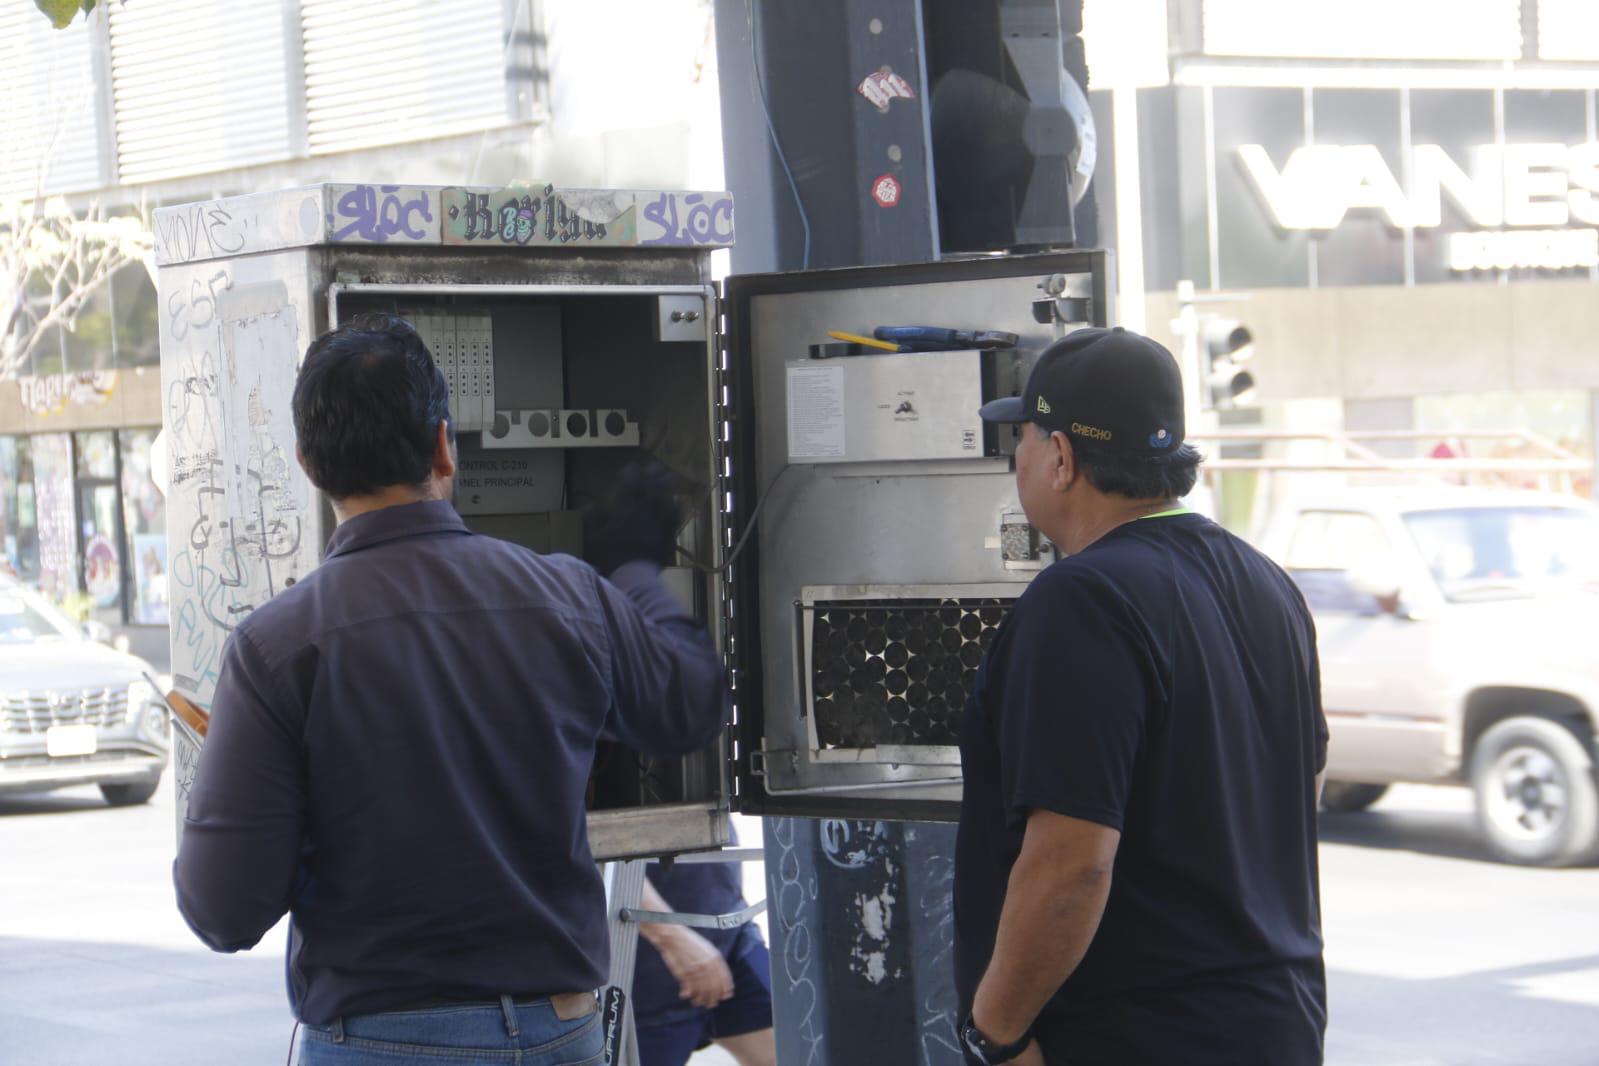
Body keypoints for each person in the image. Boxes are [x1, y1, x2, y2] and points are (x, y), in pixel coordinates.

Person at [173, 315, 729, 1065]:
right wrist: (635, 567)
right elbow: (689, 706)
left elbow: (223, 912)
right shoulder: (571, 596)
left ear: (307, 464)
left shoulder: (276, 647)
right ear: (443, 444)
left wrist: (283, 808)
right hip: (558, 1032)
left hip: (379, 1044)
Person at [953, 327, 1328, 1066]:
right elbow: (1295, 793)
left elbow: (1072, 861)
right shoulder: (1265, 583)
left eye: (1022, 439)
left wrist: (994, 1034)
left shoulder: (1080, 600)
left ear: (1060, 458)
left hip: (1132, 1033)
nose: (1018, 460)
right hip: (1273, 1021)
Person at [630, 832, 775, 1066]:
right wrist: (671, 938)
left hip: (731, 936)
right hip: (647, 976)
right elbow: (591, 847)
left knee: (793, 1050)